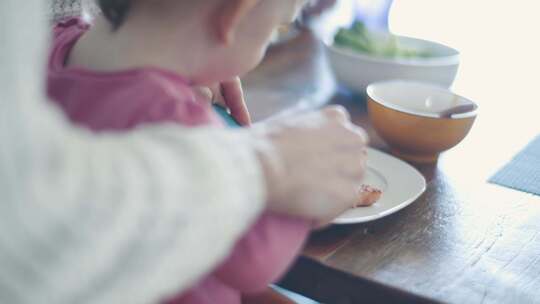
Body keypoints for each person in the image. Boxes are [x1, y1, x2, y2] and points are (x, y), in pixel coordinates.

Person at [0, 0, 368, 303]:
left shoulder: (49, 49)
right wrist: (310, 192)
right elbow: (254, 262)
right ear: (233, 18)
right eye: (275, 28)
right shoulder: (178, 124)